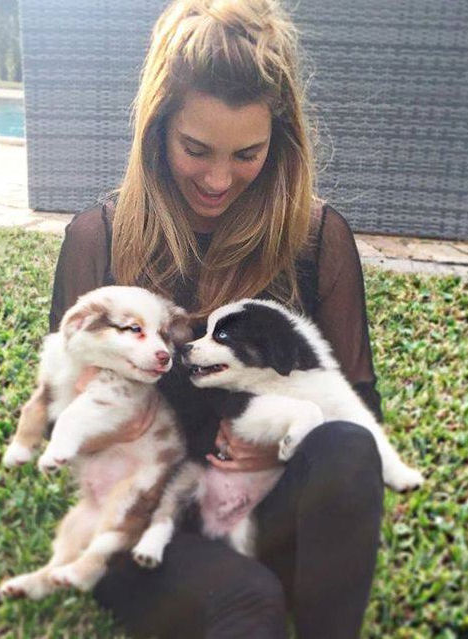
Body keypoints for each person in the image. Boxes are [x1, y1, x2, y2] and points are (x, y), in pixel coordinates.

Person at [49, 1, 384, 637]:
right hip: (148, 520)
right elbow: (70, 416)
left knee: (346, 446)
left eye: (247, 153)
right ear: (158, 128)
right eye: (195, 149)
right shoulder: (100, 241)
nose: (218, 179)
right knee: (250, 601)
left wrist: (274, 433)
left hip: (264, 506)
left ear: (279, 140)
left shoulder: (317, 240)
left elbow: (357, 415)